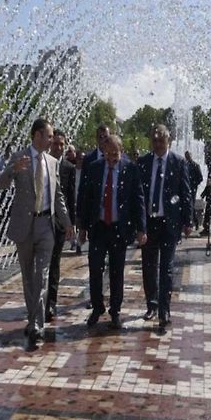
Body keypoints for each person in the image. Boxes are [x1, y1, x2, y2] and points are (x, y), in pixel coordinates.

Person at [0, 119, 74, 350]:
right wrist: (12, 170)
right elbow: (1, 184)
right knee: (28, 279)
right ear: (37, 135)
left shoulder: (52, 162)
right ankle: (33, 320)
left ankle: (37, 326)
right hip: (24, 227)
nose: (52, 140)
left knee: (41, 276)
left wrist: (67, 223)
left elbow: (58, 196)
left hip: (46, 226)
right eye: (49, 136)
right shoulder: (19, 158)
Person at [79, 135, 147, 329]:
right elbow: (86, 198)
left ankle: (115, 310)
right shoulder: (94, 168)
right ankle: (97, 307)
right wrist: (82, 227)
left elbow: (138, 200)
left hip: (119, 227)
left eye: (115, 154)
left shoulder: (130, 169)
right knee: (95, 268)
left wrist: (141, 229)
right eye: (108, 154)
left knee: (117, 272)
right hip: (99, 227)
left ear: (122, 151)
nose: (111, 158)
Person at [138, 124, 192, 329]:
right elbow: (138, 194)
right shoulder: (144, 162)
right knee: (149, 266)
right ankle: (151, 304)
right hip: (149, 223)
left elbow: (185, 192)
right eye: (155, 140)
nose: (158, 144)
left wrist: (188, 221)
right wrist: (138, 224)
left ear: (169, 141)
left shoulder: (178, 162)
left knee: (167, 268)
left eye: (161, 140)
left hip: (169, 223)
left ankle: (164, 309)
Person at [45, 129, 76, 322]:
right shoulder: (41, 163)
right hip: (41, 221)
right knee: (40, 264)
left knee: (54, 262)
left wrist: (70, 225)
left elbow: (70, 198)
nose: (58, 147)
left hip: (58, 224)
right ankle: (39, 300)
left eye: (61, 144)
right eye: (55, 143)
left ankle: (51, 303)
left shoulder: (68, 168)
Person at [184, 151, 203, 230]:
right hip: (185, 188)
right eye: (186, 156)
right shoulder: (184, 165)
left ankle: (195, 222)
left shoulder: (195, 165)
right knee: (186, 205)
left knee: (191, 205)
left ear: (191, 156)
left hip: (192, 188)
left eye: (188, 155)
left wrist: (194, 184)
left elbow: (200, 178)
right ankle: (187, 223)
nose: (187, 157)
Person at [73, 149, 85, 254]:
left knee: (81, 225)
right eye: (80, 158)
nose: (81, 161)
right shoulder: (72, 171)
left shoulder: (87, 172)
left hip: (83, 203)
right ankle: (77, 244)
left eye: (83, 159)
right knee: (76, 225)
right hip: (73, 202)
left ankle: (79, 243)